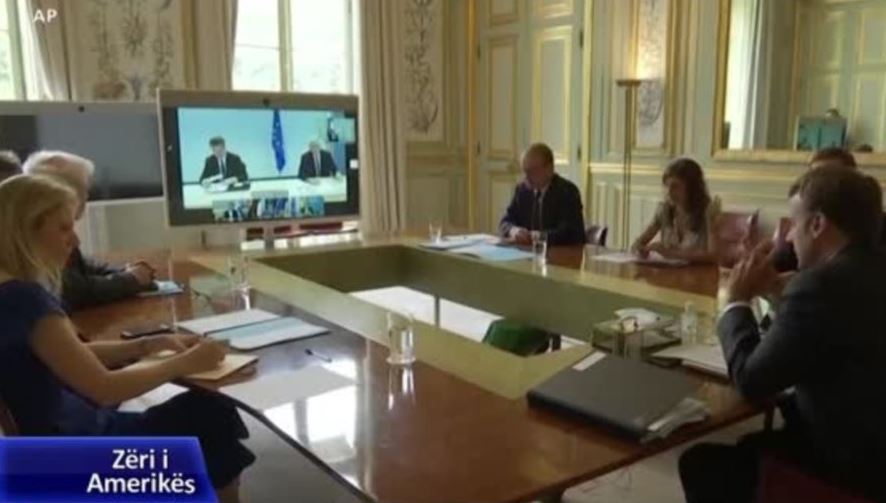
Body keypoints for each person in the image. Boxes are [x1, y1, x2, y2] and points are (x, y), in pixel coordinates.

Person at [0, 174, 254, 502]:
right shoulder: (26, 300)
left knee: (204, 414)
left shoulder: (8, 294)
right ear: (25, 231)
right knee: (211, 413)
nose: (74, 240)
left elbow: (72, 353)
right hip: (81, 459)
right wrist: (185, 363)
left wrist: (146, 345)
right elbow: (105, 389)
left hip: (44, 453)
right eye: (63, 228)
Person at [679, 166, 886, 503]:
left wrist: (735, 302)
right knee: (750, 446)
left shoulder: (821, 285)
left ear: (817, 224)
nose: (788, 238)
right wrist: (778, 292)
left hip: (847, 467)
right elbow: (826, 337)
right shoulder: (868, 269)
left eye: (794, 224)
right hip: (873, 451)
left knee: (701, 464)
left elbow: (751, 380)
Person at [23, 151, 156, 310]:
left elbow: (81, 268)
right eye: (84, 189)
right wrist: (131, 279)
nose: (87, 196)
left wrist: (126, 272)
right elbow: (75, 290)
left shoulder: (57, 230)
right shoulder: (36, 232)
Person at [631, 158, 721, 263]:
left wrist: (670, 253)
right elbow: (638, 244)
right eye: (666, 186)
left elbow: (712, 255)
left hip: (700, 272)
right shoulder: (664, 210)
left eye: (675, 186)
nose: (668, 192)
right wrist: (639, 250)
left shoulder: (709, 211)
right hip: (669, 272)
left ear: (692, 188)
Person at [498, 143, 585, 246]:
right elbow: (505, 222)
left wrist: (536, 236)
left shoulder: (567, 192)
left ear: (549, 169)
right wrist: (514, 231)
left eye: (532, 171)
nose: (527, 177)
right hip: (526, 253)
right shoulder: (522, 190)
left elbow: (570, 234)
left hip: (558, 253)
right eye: (525, 171)